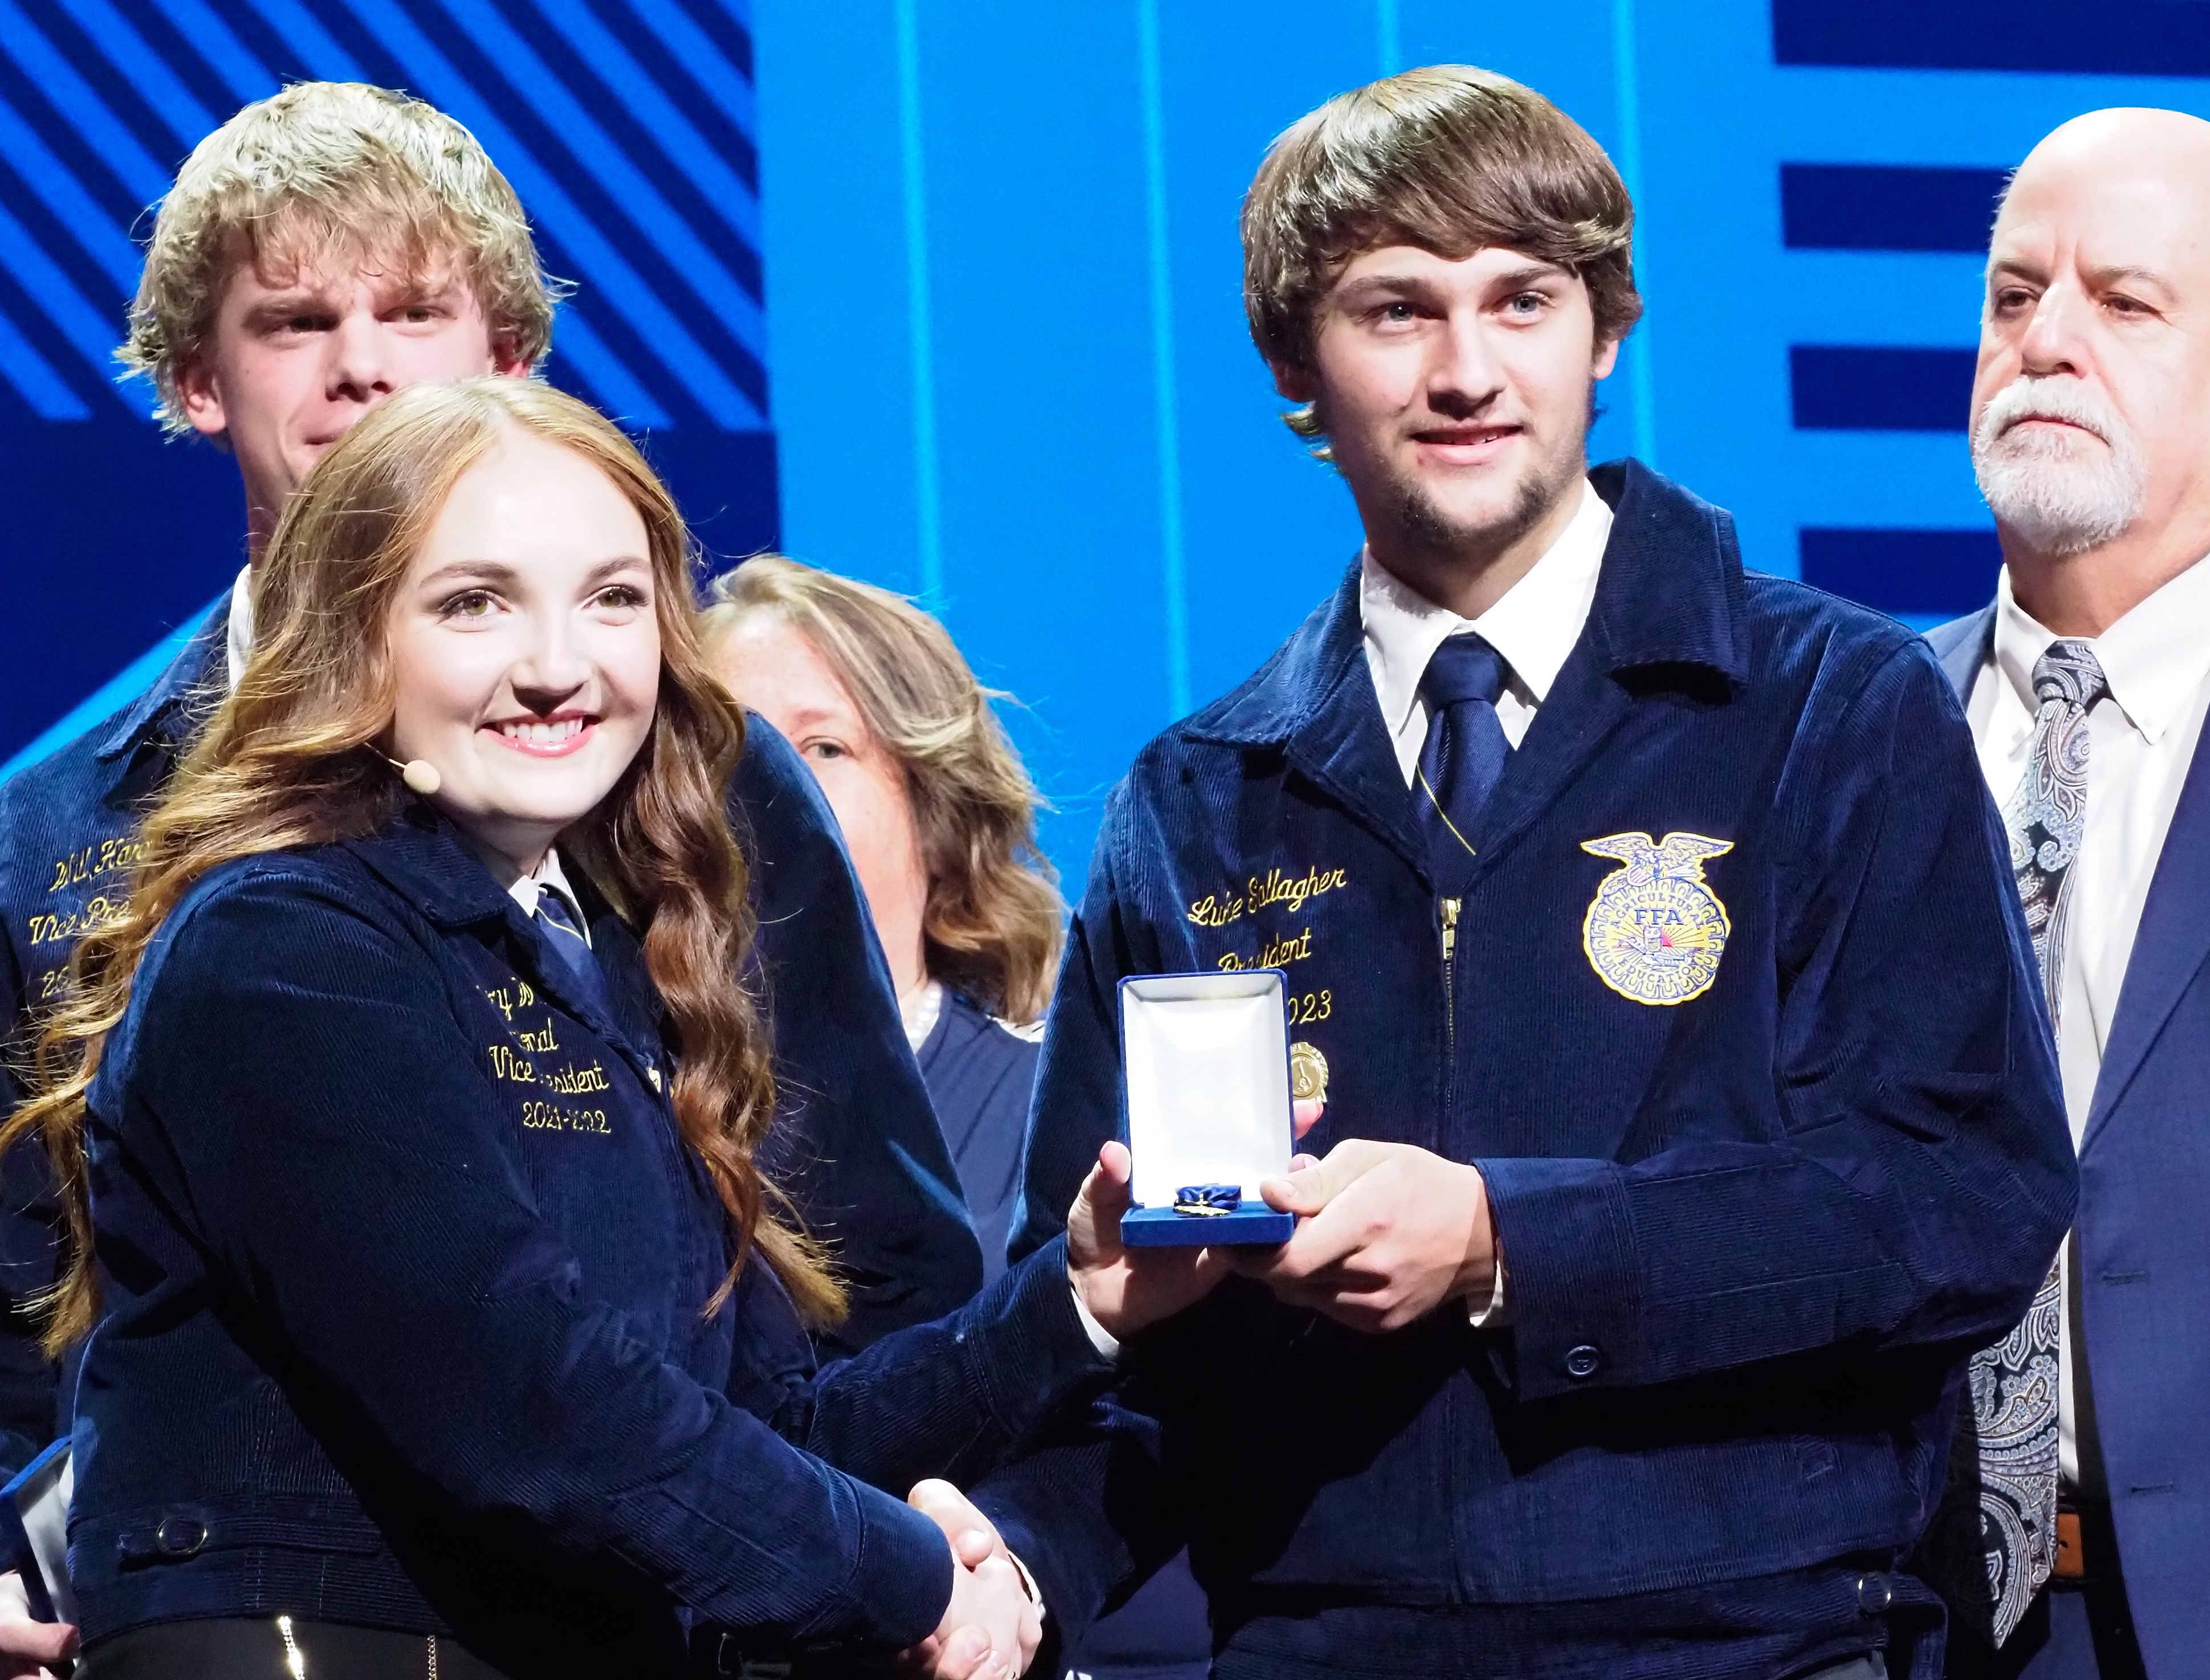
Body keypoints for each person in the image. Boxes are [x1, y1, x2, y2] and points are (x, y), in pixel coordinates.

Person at [990, 65, 2077, 1679]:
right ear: (1293, 359)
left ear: (1604, 330)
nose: (1464, 371)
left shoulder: (1828, 706)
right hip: (1321, 1648)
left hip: (1752, 1643)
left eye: (1521, 299)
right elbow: (1134, 1336)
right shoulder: (1201, 798)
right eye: (1394, 310)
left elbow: (1959, 1199)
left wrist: (1512, 1240)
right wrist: (1017, 1560)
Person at [0, 376, 1235, 1679]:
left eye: (612, 599)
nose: (556, 667)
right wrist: (918, 1580)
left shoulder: (606, 957)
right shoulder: (283, 947)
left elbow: (754, 1428)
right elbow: (535, 1406)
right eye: (474, 603)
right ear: (354, 634)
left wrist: (1073, 1304)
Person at [0, 71, 976, 1480]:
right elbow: (22, 1318)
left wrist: (908, 1545)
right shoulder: (50, 834)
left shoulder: (711, 772)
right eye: (296, 323)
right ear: (199, 383)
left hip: (698, 1548)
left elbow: (878, 1261)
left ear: (511, 358)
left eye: (413, 313)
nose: (361, 368)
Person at [706, 559, 1213, 1680]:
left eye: (821, 748)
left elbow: (1158, 1427)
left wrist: (1003, 1577)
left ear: (932, 815)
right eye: (723, 747)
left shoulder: (1070, 1103)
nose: (761, 787)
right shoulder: (629, 1110)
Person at [1920, 108, 2210, 1680]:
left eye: (2124, 301)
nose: (2042, 343)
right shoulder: (1836, 738)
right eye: (2014, 295)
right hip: (1895, 1624)